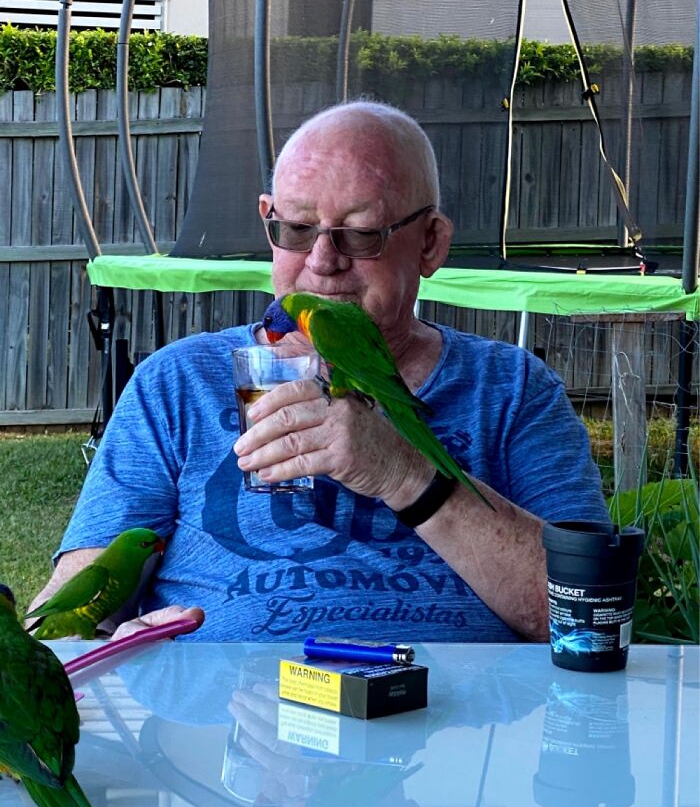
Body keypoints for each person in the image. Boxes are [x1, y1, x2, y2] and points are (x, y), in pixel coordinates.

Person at [30, 100, 609, 642]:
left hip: (450, 730)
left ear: (431, 243)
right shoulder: (175, 384)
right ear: (268, 220)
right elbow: (74, 601)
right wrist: (104, 642)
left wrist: (403, 475)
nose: (322, 261)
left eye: (361, 233)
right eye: (297, 228)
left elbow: (593, 612)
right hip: (232, 729)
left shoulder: (512, 389)